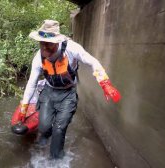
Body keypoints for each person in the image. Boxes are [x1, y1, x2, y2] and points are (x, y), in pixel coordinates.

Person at [18, 20, 121, 159]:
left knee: (59, 129)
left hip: (67, 93)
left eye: (47, 43)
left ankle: (56, 159)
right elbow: (31, 83)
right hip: (49, 92)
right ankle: (46, 134)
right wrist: (24, 107)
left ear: (56, 42)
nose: (43, 48)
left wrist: (105, 83)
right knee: (44, 127)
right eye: (41, 43)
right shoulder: (38, 57)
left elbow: (93, 62)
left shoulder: (72, 48)